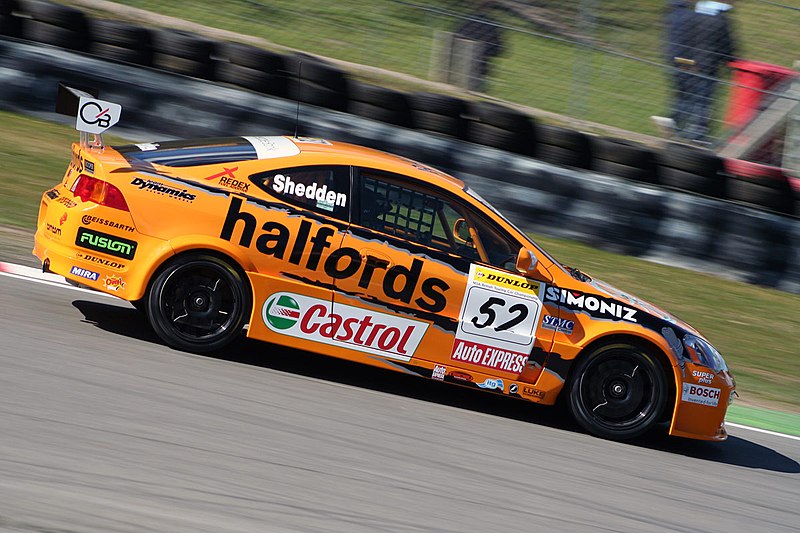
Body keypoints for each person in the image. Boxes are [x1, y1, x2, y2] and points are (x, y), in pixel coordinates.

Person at [653, 1, 737, 145]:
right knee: (702, 100)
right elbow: (726, 46)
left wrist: (684, 60)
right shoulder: (720, 20)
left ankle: (675, 123)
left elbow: (687, 40)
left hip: (683, 61)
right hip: (706, 65)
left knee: (684, 96)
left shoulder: (685, 17)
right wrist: (731, 61)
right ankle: (697, 133)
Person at [454, 2, 504, 92]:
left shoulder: (465, 20)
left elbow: (455, 37)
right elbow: (499, 49)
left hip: (458, 64)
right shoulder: (492, 25)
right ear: (490, 9)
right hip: (480, 68)